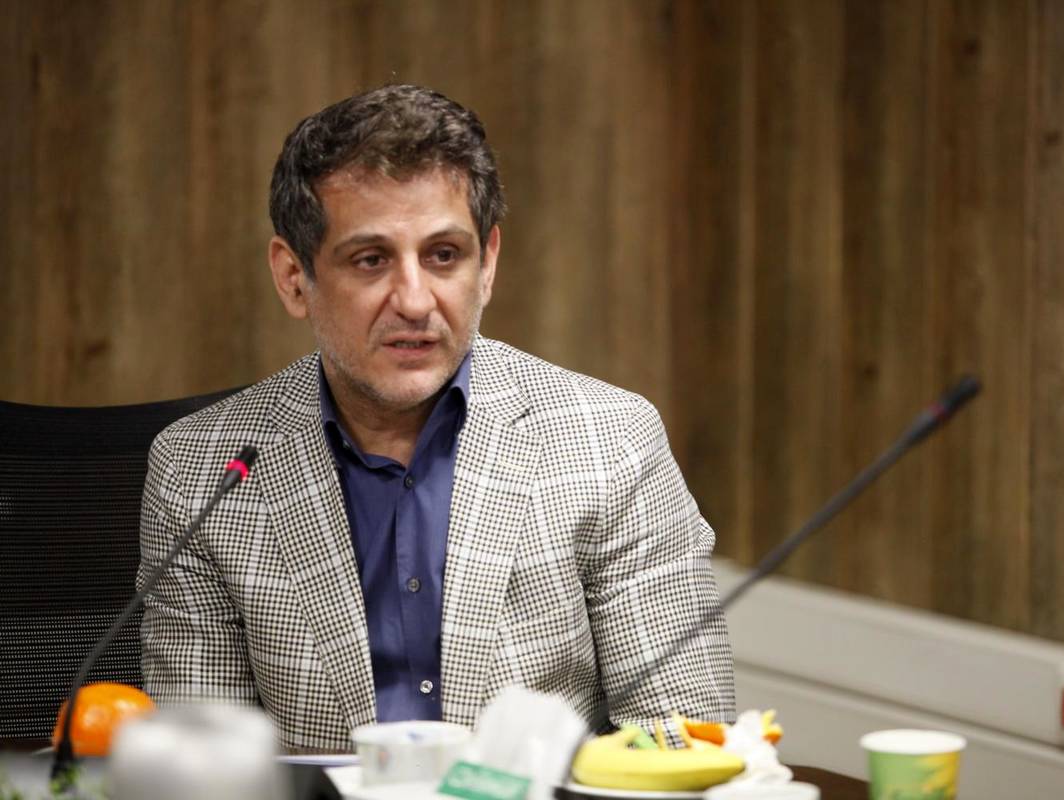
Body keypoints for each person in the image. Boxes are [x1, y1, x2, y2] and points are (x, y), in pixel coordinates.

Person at [138, 84, 735, 751]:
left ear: (488, 264)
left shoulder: (610, 441)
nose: (416, 301)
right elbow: (201, 765)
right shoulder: (201, 472)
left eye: (444, 256)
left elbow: (681, 736)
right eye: (371, 260)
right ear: (293, 278)